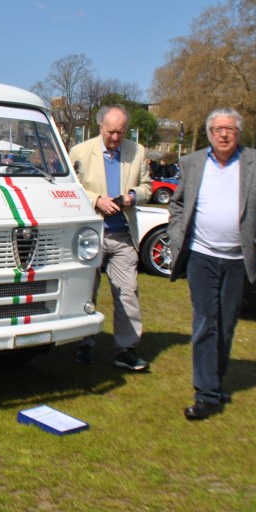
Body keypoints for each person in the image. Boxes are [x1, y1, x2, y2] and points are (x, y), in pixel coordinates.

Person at [168, 107, 256, 421]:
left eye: (230, 129)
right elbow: (177, 204)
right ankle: (206, 394)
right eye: (217, 129)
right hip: (201, 256)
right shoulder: (192, 162)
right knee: (205, 321)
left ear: (239, 133)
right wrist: (176, 234)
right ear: (209, 133)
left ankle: (214, 382)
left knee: (226, 324)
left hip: (237, 259)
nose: (223, 134)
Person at [68, 105, 154, 371]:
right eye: (110, 131)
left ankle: (126, 349)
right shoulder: (80, 152)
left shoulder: (137, 151)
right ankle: (83, 344)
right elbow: (70, 188)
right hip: (90, 235)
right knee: (85, 291)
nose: (115, 137)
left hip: (123, 235)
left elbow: (147, 187)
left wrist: (131, 197)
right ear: (100, 128)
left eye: (120, 132)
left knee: (128, 292)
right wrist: (97, 200)